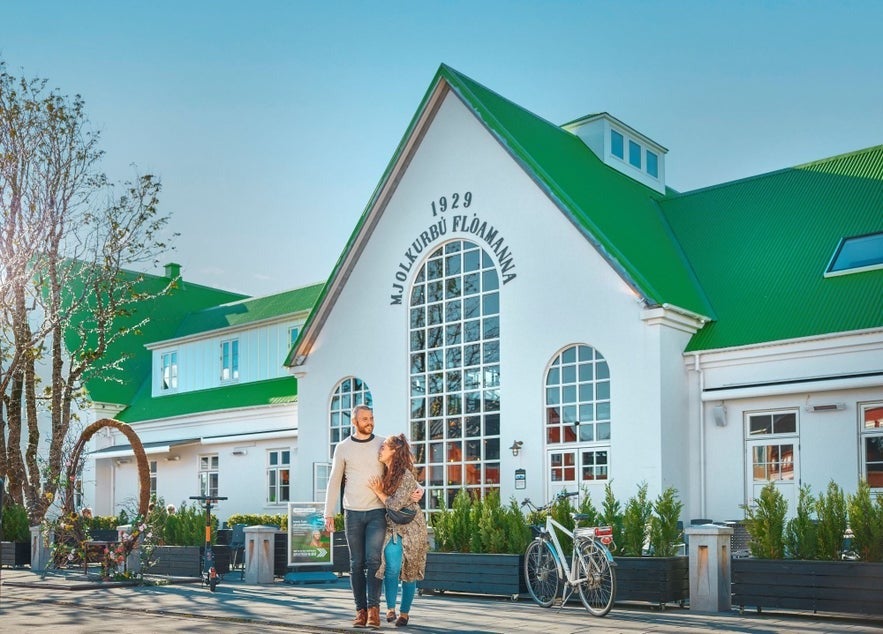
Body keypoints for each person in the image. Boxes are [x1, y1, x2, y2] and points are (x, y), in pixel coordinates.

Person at [324, 405, 422, 629]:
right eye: (365, 419)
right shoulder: (343, 448)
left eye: (371, 418)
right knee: (356, 563)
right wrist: (328, 512)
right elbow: (334, 480)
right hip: (352, 513)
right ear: (354, 421)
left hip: (378, 512)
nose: (369, 422)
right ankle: (360, 611)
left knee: (374, 562)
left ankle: (374, 611)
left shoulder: (381, 444)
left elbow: (402, 468)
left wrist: (421, 489)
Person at [368, 433, 428, 628]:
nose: (380, 450)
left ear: (394, 451)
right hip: (392, 527)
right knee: (392, 569)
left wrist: (378, 492)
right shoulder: (384, 470)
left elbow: (394, 504)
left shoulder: (404, 474)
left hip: (412, 528)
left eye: (384, 447)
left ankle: (404, 613)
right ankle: (391, 608)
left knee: (410, 571)